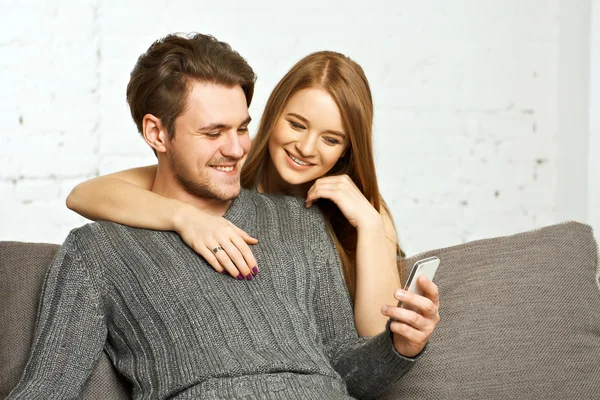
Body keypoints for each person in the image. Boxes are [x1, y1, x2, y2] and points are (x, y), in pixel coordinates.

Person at [9, 33, 440, 399]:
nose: (235, 149)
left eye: (241, 128)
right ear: (157, 133)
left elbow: (345, 365)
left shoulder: (302, 219)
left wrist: (399, 346)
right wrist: (184, 218)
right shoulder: (98, 251)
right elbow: (48, 386)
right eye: (213, 133)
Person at [67, 49, 403, 337]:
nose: (305, 147)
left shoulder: (364, 213)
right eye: (296, 125)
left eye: (331, 139)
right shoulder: (228, 168)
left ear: (347, 149)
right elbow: (84, 194)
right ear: (273, 116)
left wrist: (371, 226)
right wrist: (188, 219)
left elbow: (379, 339)